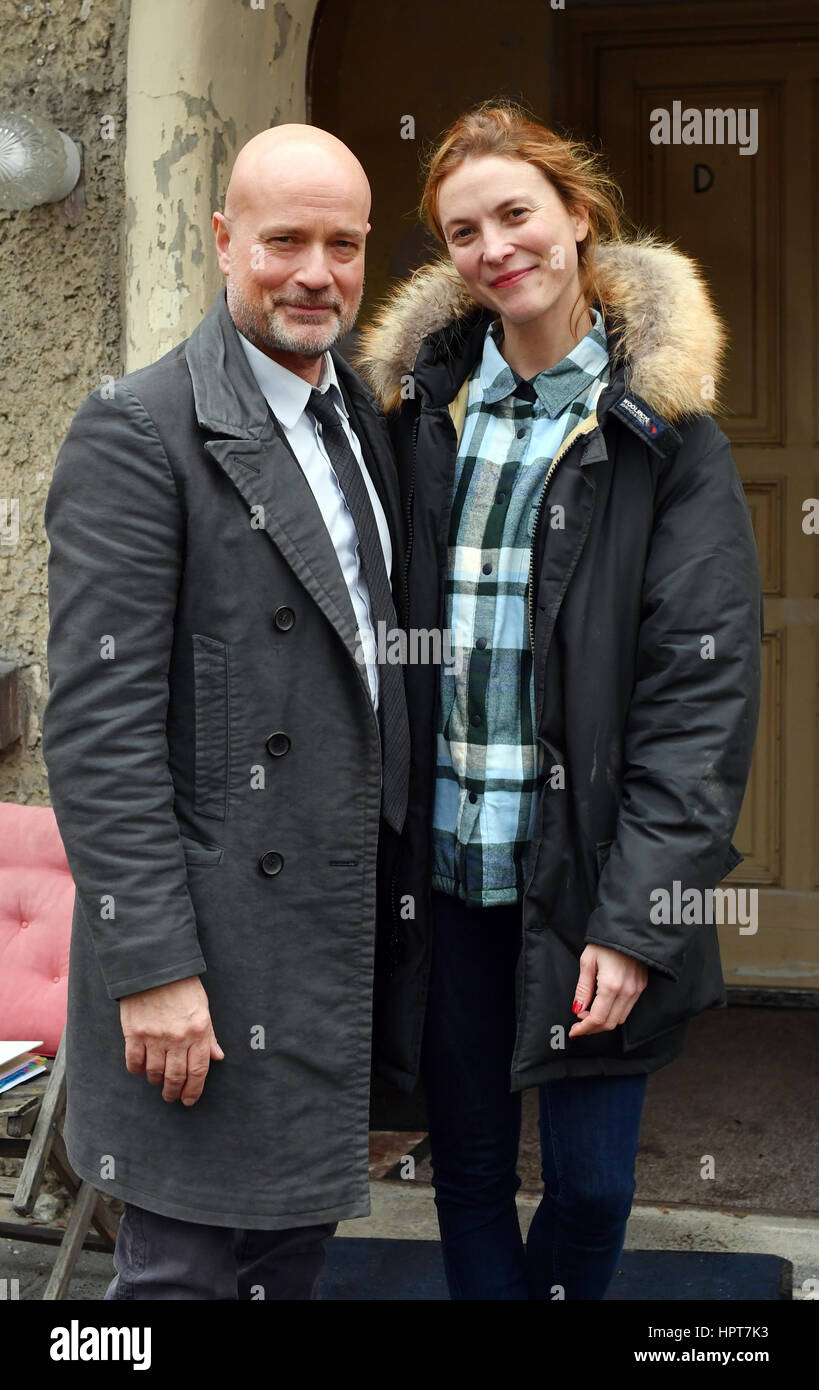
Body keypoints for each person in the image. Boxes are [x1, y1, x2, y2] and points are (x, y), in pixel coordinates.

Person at [357, 101, 763, 1301]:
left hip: (587, 879)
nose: (496, 247)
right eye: (464, 230)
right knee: (469, 1166)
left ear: (578, 218)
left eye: (517, 214)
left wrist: (634, 922)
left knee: (590, 1189)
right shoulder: (413, 420)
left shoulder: (666, 438)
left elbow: (703, 699)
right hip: (446, 877)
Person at [42, 124, 409, 1300]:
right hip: (207, 955)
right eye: (284, 240)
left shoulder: (361, 416)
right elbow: (95, 732)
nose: (316, 272)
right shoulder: (139, 430)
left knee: (287, 1262)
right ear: (221, 243)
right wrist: (151, 966)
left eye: (343, 244)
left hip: (329, 938)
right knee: (182, 1276)